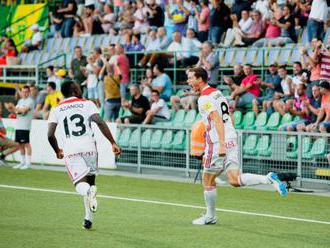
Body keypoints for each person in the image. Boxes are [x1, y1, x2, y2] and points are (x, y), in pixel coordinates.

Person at [186, 67, 287, 225]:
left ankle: (210, 216)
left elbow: (217, 120)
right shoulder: (218, 93)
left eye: (191, 78)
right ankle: (267, 178)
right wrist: (229, 137)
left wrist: (220, 145)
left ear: (200, 79)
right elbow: (229, 115)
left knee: (207, 181)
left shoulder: (204, 98)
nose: (188, 81)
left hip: (218, 142)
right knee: (234, 179)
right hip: (231, 137)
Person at [47, 81, 121, 230]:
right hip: (90, 148)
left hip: (72, 150)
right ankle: (88, 219)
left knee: (81, 186)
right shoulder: (87, 103)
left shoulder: (56, 109)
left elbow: (50, 135)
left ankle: (88, 194)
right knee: (91, 184)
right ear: (74, 89)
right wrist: (112, 142)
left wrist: (57, 150)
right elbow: (100, 122)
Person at [11, 86, 35, 170]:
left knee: (26, 144)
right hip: (18, 125)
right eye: (23, 91)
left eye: (26, 92)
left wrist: (16, 109)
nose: (24, 93)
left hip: (25, 126)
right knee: (20, 144)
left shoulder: (30, 101)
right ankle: (22, 162)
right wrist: (15, 109)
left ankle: (28, 163)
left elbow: (23, 110)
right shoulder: (20, 101)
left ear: (29, 92)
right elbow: (15, 110)